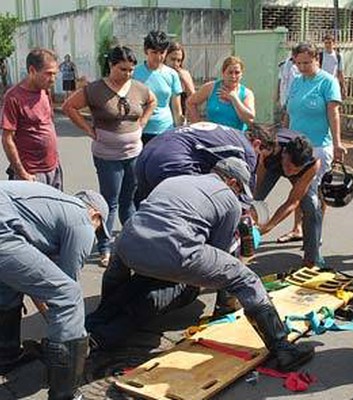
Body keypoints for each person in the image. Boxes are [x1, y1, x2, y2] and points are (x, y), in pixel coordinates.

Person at [87, 158, 314, 372]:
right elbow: (219, 252)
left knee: (134, 280)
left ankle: (91, 328)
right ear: (232, 182)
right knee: (245, 279)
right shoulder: (229, 200)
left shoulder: (176, 180)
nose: (238, 196)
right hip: (174, 248)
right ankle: (283, 349)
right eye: (239, 191)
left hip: (128, 241)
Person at [0, 181, 109, 399]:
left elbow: (36, 281)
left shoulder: (48, 210)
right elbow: (65, 289)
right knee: (69, 296)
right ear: (95, 215)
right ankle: (65, 394)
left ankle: (6, 357)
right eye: (99, 228)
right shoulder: (82, 221)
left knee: (7, 286)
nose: (95, 234)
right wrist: (76, 335)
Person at [62, 46, 157, 268]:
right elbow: (69, 107)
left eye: (131, 69)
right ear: (111, 66)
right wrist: (88, 129)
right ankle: (105, 247)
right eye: (123, 69)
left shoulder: (138, 88)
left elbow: (152, 101)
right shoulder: (95, 90)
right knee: (110, 202)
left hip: (134, 153)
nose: (127, 74)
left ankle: (133, 244)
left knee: (129, 202)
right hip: (107, 156)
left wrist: (142, 122)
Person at [276, 42, 345, 257]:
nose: (303, 67)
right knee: (298, 190)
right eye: (299, 63)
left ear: (317, 59)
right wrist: (283, 137)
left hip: (318, 147)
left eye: (307, 62)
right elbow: (288, 112)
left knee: (315, 193)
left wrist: (337, 143)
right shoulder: (296, 81)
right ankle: (298, 228)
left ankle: (315, 233)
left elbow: (333, 114)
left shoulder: (328, 82)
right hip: (296, 147)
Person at [134, 122, 271, 202]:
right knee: (189, 210)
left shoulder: (228, 132)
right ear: (257, 144)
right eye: (261, 155)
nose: (259, 160)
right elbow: (245, 188)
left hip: (147, 153)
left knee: (148, 209)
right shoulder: (247, 149)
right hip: (172, 161)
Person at [254, 129, 323, 267]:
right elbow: (256, 188)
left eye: (295, 170)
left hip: (298, 171)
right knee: (251, 201)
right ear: (284, 153)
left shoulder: (312, 163)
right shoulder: (270, 150)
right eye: (288, 167)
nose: (289, 172)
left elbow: (293, 201)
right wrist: (253, 215)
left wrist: (268, 226)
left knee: (312, 206)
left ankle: (312, 258)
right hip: (271, 167)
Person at [1, 48, 63, 190]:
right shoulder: (13, 97)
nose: (53, 79)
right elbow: (7, 138)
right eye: (48, 74)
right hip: (31, 174)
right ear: (32, 70)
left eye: (55, 74)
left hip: (53, 168)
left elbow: (47, 124)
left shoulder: (45, 91)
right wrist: (22, 173)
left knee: (56, 211)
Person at [133, 30, 183, 145]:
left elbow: (176, 109)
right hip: (140, 130)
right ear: (146, 51)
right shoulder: (134, 73)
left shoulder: (172, 74)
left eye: (162, 52)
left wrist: (179, 131)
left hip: (165, 129)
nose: (158, 57)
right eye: (154, 52)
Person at [187, 56, 255, 131]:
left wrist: (234, 98)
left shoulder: (246, 93)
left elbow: (250, 119)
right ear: (223, 73)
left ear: (241, 74)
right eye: (230, 72)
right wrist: (198, 126)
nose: (233, 76)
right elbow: (190, 103)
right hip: (214, 137)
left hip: (236, 138)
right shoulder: (211, 88)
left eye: (237, 73)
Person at [165, 42, 196, 120]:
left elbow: (193, 98)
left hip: (179, 118)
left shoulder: (183, 74)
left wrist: (185, 80)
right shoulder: (159, 74)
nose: (175, 64)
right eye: (172, 59)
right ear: (165, 57)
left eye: (179, 60)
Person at [319, 34, 346, 98]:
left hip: (333, 84)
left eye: (329, 43)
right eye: (326, 43)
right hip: (322, 84)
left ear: (333, 43)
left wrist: (344, 87)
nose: (328, 45)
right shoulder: (320, 56)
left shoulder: (338, 56)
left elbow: (340, 72)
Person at [276, 51, 300, 122]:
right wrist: (278, 95)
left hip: (297, 95)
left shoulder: (301, 68)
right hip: (285, 95)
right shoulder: (284, 66)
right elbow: (280, 81)